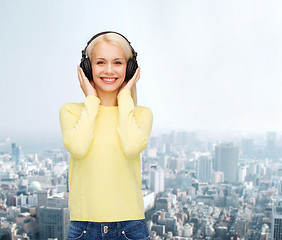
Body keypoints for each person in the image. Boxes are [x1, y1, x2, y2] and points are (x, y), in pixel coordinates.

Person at [59, 31, 153, 240]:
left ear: (129, 69)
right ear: (87, 68)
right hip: (83, 228)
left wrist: (125, 95)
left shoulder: (140, 115)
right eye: (100, 62)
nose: (109, 70)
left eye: (118, 63)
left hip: (130, 228)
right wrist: (91, 100)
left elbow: (130, 147)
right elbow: (78, 148)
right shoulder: (72, 112)